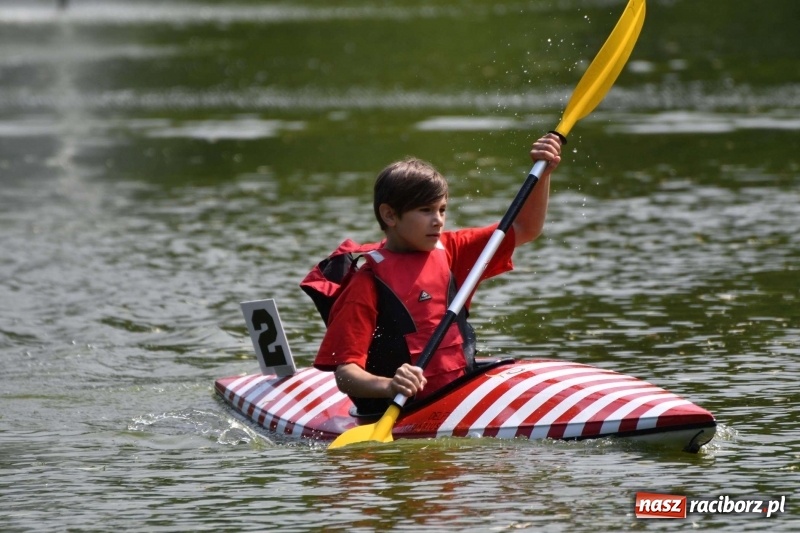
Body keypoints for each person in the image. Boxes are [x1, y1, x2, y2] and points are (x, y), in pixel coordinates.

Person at [312, 133, 562, 414]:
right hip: (402, 410)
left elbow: (525, 228)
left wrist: (544, 171)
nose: (438, 220)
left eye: (442, 209)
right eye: (425, 210)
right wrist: (390, 385)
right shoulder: (366, 282)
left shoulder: (452, 250)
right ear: (390, 215)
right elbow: (346, 374)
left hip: (459, 396)